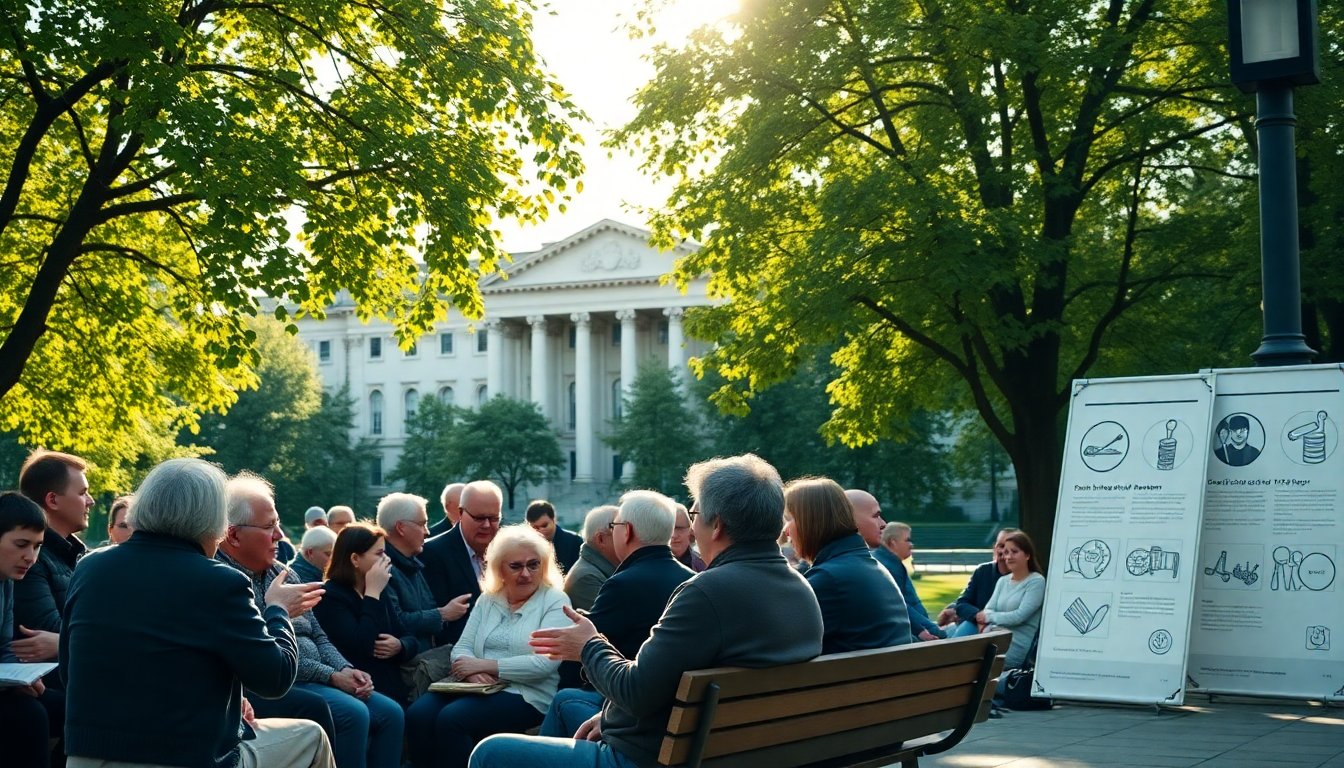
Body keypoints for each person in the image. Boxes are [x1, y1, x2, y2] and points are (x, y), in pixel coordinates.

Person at [471, 454, 824, 768]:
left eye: (696, 514)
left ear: (716, 525)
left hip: (653, 757)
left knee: (490, 752)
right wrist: (609, 718)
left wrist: (589, 645)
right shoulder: (800, 590)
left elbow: (637, 692)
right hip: (749, 750)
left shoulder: (706, 592)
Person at [61, 458, 333, 768]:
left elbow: (71, 670)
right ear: (213, 519)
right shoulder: (220, 581)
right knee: (313, 738)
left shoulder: (90, 567)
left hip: (87, 757)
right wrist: (278, 610)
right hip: (182, 756)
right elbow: (276, 679)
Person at [218, 472, 405, 768]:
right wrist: (331, 676)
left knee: (391, 712)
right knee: (353, 713)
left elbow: (318, 636)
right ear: (234, 535)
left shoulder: (286, 573)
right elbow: (259, 652)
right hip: (278, 684)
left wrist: (345, 668)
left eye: (278, 524)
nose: (280, 534)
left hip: (315, 677)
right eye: (269, 527)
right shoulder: (224, 581)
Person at [405, 525, 572, 767]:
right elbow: (462, 648)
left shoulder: (555, 601)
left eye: (533, 564)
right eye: (515, 566)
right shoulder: (489, 599)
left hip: (528, 693)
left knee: (453, 719)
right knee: (418, 715)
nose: (525, 573)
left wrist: (484, 665)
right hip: (474, 686)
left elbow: (543, 664)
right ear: (499, 569)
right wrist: (472, 673)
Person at [539, 490, 694, 738]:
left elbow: (588, 655)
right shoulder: (691, 579)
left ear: (628, 531)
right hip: (676, 715)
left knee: (563, 699)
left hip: (637, 720)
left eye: (616, 525)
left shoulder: (624, 583)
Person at [784, 478, 912, 653]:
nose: (785, 530)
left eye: (790, 518)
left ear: (811, 522)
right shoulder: (867, 566)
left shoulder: (829, 579)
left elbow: (782, 644)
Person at [376, 493, 472, 702]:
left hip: (420, 666)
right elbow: (396, 621)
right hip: (402, 676)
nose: (427, 531)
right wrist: (443, 614)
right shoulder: (382, 567)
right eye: (422, 524)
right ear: (401, 527)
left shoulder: (411, 561)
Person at [314, 523, 412, 704]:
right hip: (361, 690)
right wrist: (372, 595)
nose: (387, 559)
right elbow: (361, 646)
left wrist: (400, 645)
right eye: (379, 553)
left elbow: (408, 635)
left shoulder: (378, 589)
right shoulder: (331, 597)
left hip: (394, 687)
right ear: (355, 559)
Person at [0, 492, 54, 768]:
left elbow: (3, 648)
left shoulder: (6, 582)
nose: (30, 557)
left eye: (37, 546)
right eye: (22, 544)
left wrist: (21, 680)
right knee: (30, 716)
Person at [420, 480, 501, 643]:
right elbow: (437, 623)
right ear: (461, 513)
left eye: (493, 518)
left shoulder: (508, 549)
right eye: (479, 518)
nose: (486, 525)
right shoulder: (433, 553)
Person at [951, 531, 1045, 671]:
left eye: (1014, 551)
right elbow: (989, 608)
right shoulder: (1002, 581)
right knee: (955, 658)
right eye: (1006, 552)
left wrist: (990, 618)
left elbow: (1018, 616)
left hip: (1015, 644)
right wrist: (990, 622)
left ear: (1027, 555)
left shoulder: (1036, 582)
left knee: (966, 665)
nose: (1008, 556)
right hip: (992, 636)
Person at [873, 522, 946, 641]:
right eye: (907, 540)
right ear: (893, 542)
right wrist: (933, 629)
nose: (911, 545)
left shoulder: (889, 562)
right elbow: (901, 606)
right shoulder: (889, 566)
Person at [937, 528, 1016, 629]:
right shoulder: (982, 571)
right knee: (938, 633)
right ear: (994, 548)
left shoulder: (1021, 577)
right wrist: (977, 616)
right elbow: (962, 603)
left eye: (1010, 548)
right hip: (974, 622)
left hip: (996, 629)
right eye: (1001, 546)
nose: (1004, 551)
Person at [561, 505, 619, 610]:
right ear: (601, 539)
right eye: (620, 530)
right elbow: (619, 620)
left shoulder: (597, 569)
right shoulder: (586, 578)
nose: (627, 536)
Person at [526, 499, 583, 573]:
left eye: (544, 525)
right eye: (535, 528)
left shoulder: (574, 541)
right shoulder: (526, 546)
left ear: (554, 520)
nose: (540, 530)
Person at [669, 503, 705, 572]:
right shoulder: (650, 565)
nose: (674, 535)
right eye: (668, 529)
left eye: (679, 528)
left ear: (691, 530)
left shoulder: (704, 564)